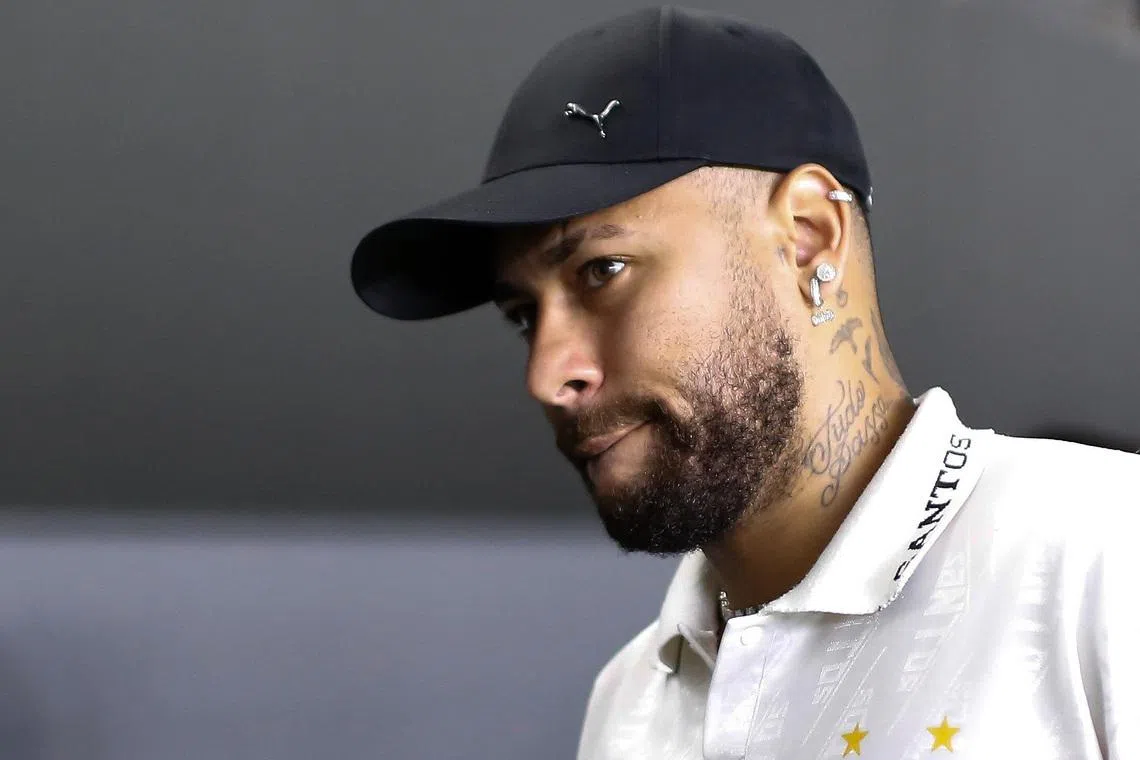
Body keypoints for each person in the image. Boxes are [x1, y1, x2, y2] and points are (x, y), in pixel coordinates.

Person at [349, 7, 1138, 758]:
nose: (549, 374)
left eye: (602, 271)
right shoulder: (629, 703)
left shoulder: (1105, 554)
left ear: (805, 238)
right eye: (524, 314)